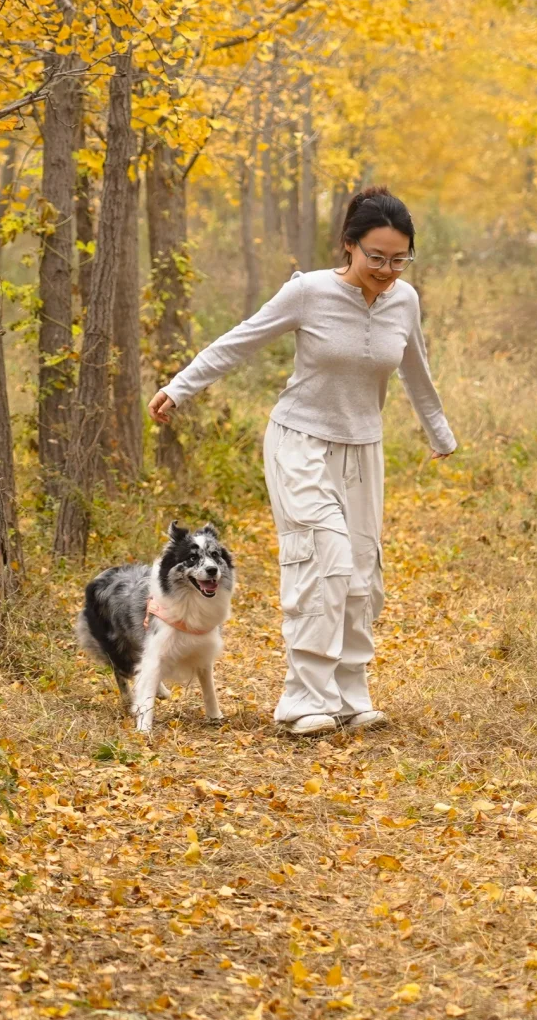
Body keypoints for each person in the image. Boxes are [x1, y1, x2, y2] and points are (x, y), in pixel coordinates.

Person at [147, 186, 456, 736]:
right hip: (300, 442)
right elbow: (240, 340)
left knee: (362, 572)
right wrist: (180, 387)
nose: (387, 269)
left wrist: (439, 432)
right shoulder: (309, 292)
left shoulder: (403, 301)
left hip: (363, 450)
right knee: (324, 559)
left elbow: (415, 368)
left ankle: (349, 694)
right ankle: (302, 699)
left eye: (399, 258)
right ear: (349, 246)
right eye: (376, 257)